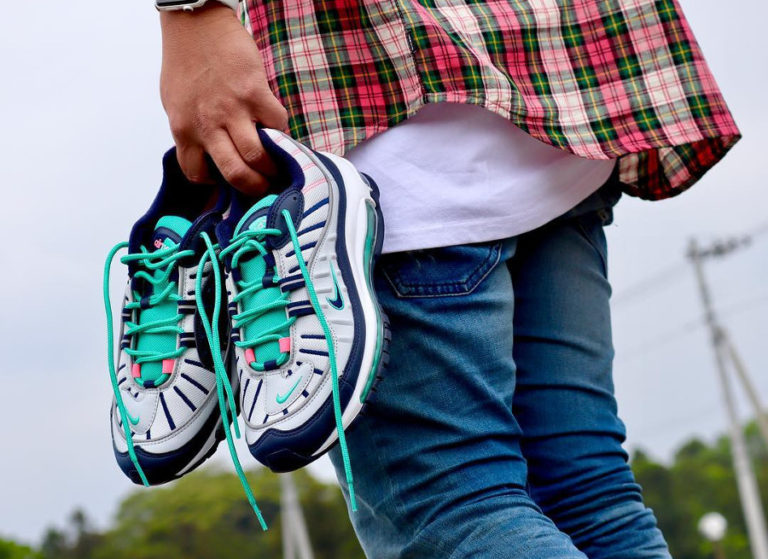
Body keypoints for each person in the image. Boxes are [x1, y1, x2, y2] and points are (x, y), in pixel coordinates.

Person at [156, 1, 740, 557]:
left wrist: (191, 12)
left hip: (381, 136)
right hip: (554, 109)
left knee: (447, 512)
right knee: (588, 495)